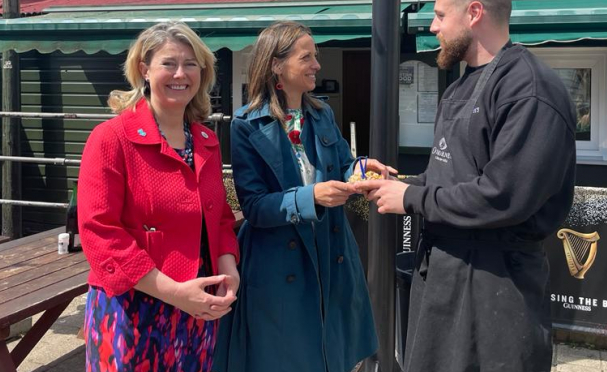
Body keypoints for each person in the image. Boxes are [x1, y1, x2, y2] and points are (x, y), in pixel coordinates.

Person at [355, 0, 577, 372]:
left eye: (440, 15)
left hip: (497, 283)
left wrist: (413, 197)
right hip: (443, 273)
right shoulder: (461, 85)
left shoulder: (528, 88)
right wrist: (398, 184)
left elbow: (504, 195)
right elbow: (453, 175)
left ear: (474, 13)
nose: (433, 27)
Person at [215, 21, 389, 372]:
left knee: (333, 354)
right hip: (280, 265)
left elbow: (342, 164)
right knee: (286, 358)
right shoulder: (246, 124)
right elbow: (253, 206)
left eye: (316, 56)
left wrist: (360, 168)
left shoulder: (322, 114)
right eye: (306, 57)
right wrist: (311, 198)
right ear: (277, 65)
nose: (316, 65)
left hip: (331, 255)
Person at [78, 22, 240, 372]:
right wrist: (173, 293)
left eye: (191, 64)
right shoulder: (111, 138)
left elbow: (221, 218)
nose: (180, 73)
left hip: (197, 305)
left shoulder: (206, 141)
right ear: (144, 70)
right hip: (132, 305)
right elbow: (98, 230)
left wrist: (229, 271)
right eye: (169, 63)